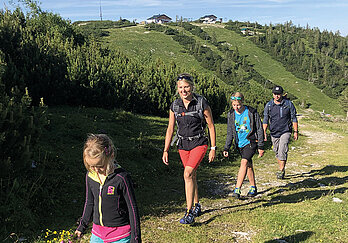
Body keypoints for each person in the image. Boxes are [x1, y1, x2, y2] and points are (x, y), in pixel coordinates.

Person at [162, 73, 216, 224]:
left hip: (199, 142)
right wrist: (166, 149)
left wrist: (213, 148)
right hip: (183, 145)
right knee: (191, 175)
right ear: (177, 89)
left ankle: (189, 212)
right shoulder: (175, 106)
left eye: (186, 87)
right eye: (181, 87)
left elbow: (211, 125)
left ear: (192, 87)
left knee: (187, 174)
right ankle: (197, 205)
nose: (183, 90)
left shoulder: (201, 103)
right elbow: (170, 128)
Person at [75, 134, 141, 243]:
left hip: (120, 235)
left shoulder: (121, 178)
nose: (96, 170)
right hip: (98, 234)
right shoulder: (90, 176)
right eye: (91, 166)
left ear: (110, 155)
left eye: (100, 166)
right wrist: (82, 225)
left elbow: (132, 208)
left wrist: (136, 238)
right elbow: (89, 202)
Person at [223, 92, 264, 199]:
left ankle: (237, 189)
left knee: (244, 161)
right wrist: (226, 147)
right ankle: (253, 187)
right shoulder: (231, 114)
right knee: (248, 165)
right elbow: (230, 132)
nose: (236, 107)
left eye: (238, 105)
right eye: (234, 105)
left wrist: (260, 146)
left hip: (250, 141)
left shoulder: (251, 112)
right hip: (239, 143)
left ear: (242, 102)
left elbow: (259, 129)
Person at [263, 85, 298, 179]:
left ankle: (281, 171)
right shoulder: (269, 105)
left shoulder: (288, 104)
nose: (277, 96)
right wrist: (264, 132)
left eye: (279, 94)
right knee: (277, 151)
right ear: (272, 94)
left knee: (282, 149)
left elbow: (294, 118)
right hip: (274, 132)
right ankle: (281, 168)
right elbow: (266, 119)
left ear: (282, 94)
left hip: (285, 131)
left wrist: (295, 131)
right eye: (275, 94)